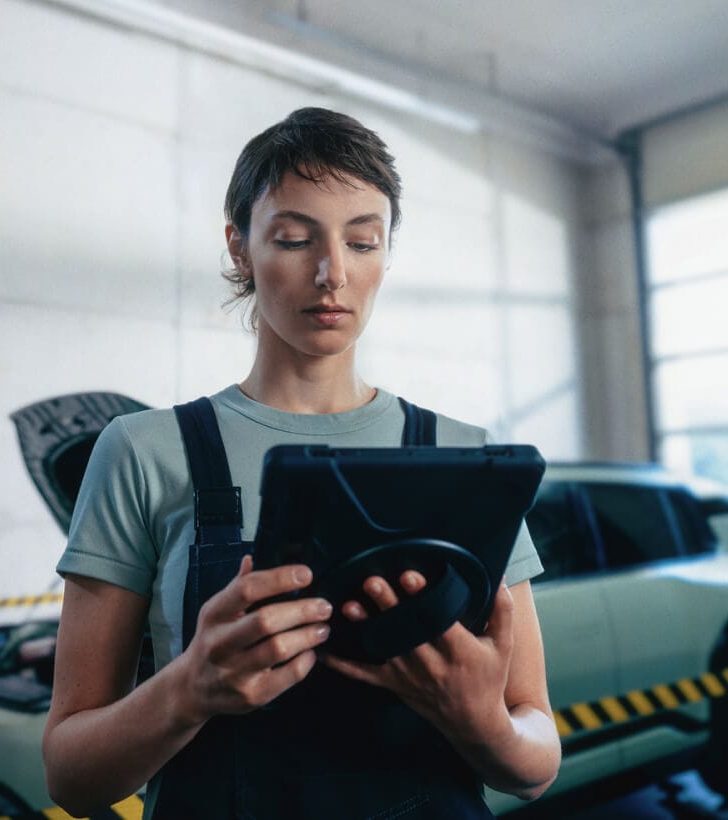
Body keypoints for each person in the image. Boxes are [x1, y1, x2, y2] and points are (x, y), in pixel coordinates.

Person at [43, 107, 561, 819]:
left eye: (363, 241)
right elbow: (70, 776)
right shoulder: (141, 451)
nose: (332, 274)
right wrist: (187, 688)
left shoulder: (465, 456)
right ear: (239, 247)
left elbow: (535, 765)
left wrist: (484, 722)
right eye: (293, 237)